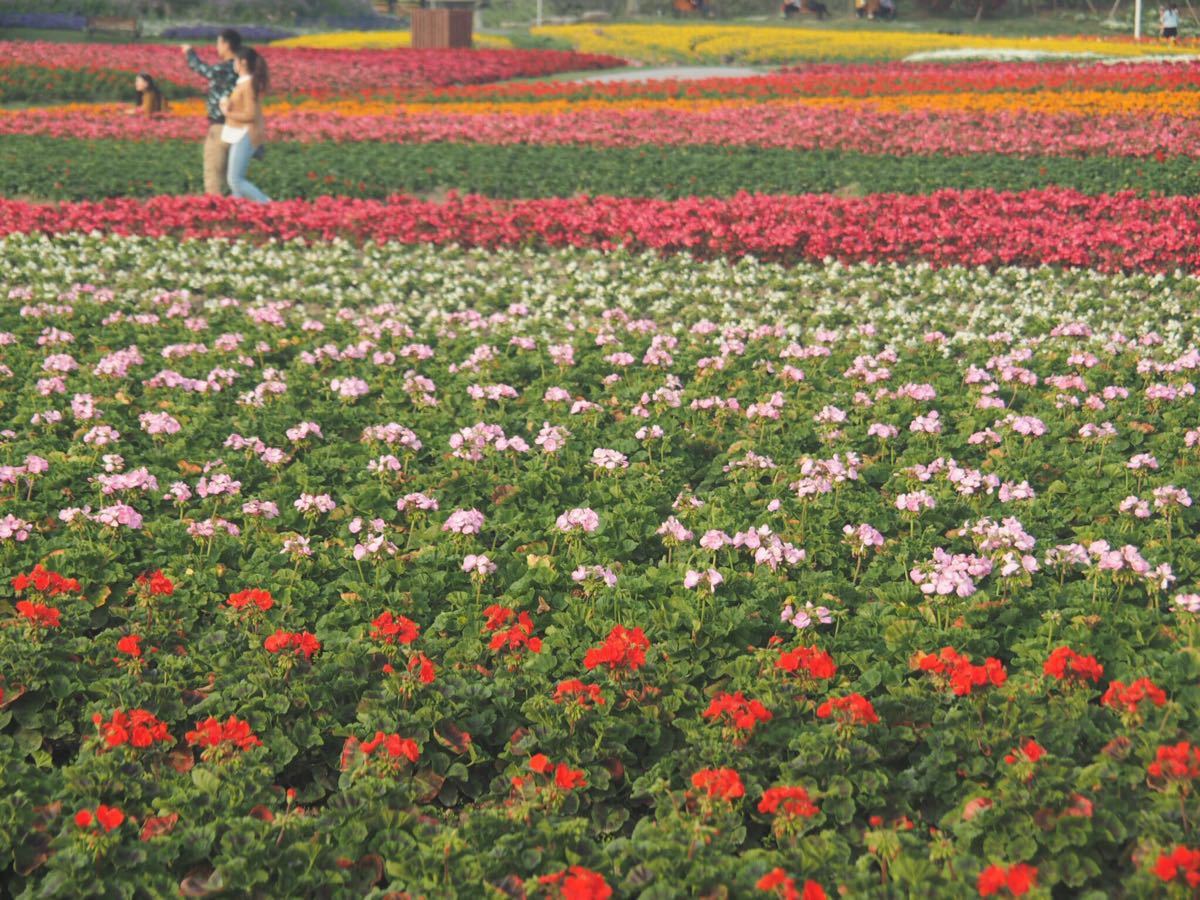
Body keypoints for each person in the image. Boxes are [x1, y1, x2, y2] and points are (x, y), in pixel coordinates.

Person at [181, 28, 241, 196]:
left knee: (214, 175)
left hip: (220, 126)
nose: (217, 47)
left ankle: (215, 213)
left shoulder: (225, 69)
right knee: (233, 177)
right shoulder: (241, 67)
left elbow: (202, 69)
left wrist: (189, 52)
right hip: (239, 126)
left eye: (218, 43)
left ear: (226, 44)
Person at [219, 46, 270, 204]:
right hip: (241, 132)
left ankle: (267, 204)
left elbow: (250, 114)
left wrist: (227, 113)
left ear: (243, 62)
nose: (233, 63)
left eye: (235, 60)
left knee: (235, 180)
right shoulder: (243, 83)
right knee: (236, 186)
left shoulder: (247, 85)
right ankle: (237, 212)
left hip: (246, 134)